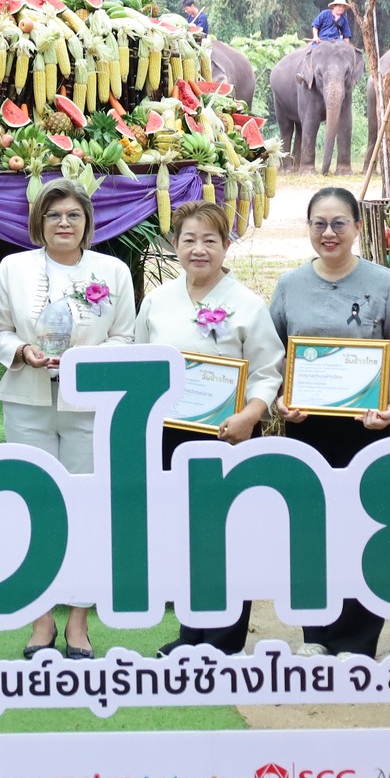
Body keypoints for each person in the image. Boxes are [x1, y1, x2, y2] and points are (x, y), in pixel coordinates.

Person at [0, 179, 136, 660]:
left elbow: (125, 338)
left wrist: (87, 360)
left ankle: (78, 622)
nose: (65, 224)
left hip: (89, 407)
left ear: (87, 222)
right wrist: (22, 351)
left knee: (85, 509)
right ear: (39, 223)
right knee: (33, 507)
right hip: (27, 402)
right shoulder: (13, 267)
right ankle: (40, 620)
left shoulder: (112, 271)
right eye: (54, 215)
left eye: (74, 215)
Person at [269, 186, 390, 659]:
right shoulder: (290, 285)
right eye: (319, 224)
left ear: (357, 226)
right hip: (307, 429)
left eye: (339, 223)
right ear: (309, 228)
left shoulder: (386, 282)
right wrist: (279, 402)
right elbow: (273, 358)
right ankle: (315, 636)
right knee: (310, 530)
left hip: (369, 427)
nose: (328, 233)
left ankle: (356, 640)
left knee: (366, 531)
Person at [134, 201, 283, 655]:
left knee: (230, 535)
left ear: (226, 245)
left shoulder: (247, 305)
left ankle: (223, 640)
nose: (199, 250)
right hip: (170, 436)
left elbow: (267, 371)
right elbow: (141, 361)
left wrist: (250, 415)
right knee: (183, 535)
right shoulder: (158, 301)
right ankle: (191, 633)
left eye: (210, 240)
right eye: (188, 240)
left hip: (229, 434)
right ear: (174, 244)